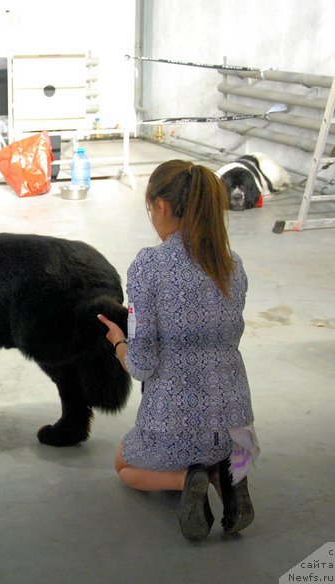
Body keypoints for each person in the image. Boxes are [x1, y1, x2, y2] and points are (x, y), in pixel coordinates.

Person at [97, 160, 260, 542]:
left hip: (176, 421)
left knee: (124, 466)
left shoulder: (148, 266)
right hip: (237, 425)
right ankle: (229, 476)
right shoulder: (233, 265)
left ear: (163, 207)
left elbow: (142, 365)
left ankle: (190, 478)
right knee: (220, 447)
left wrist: (119, 342)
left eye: (149, 208)